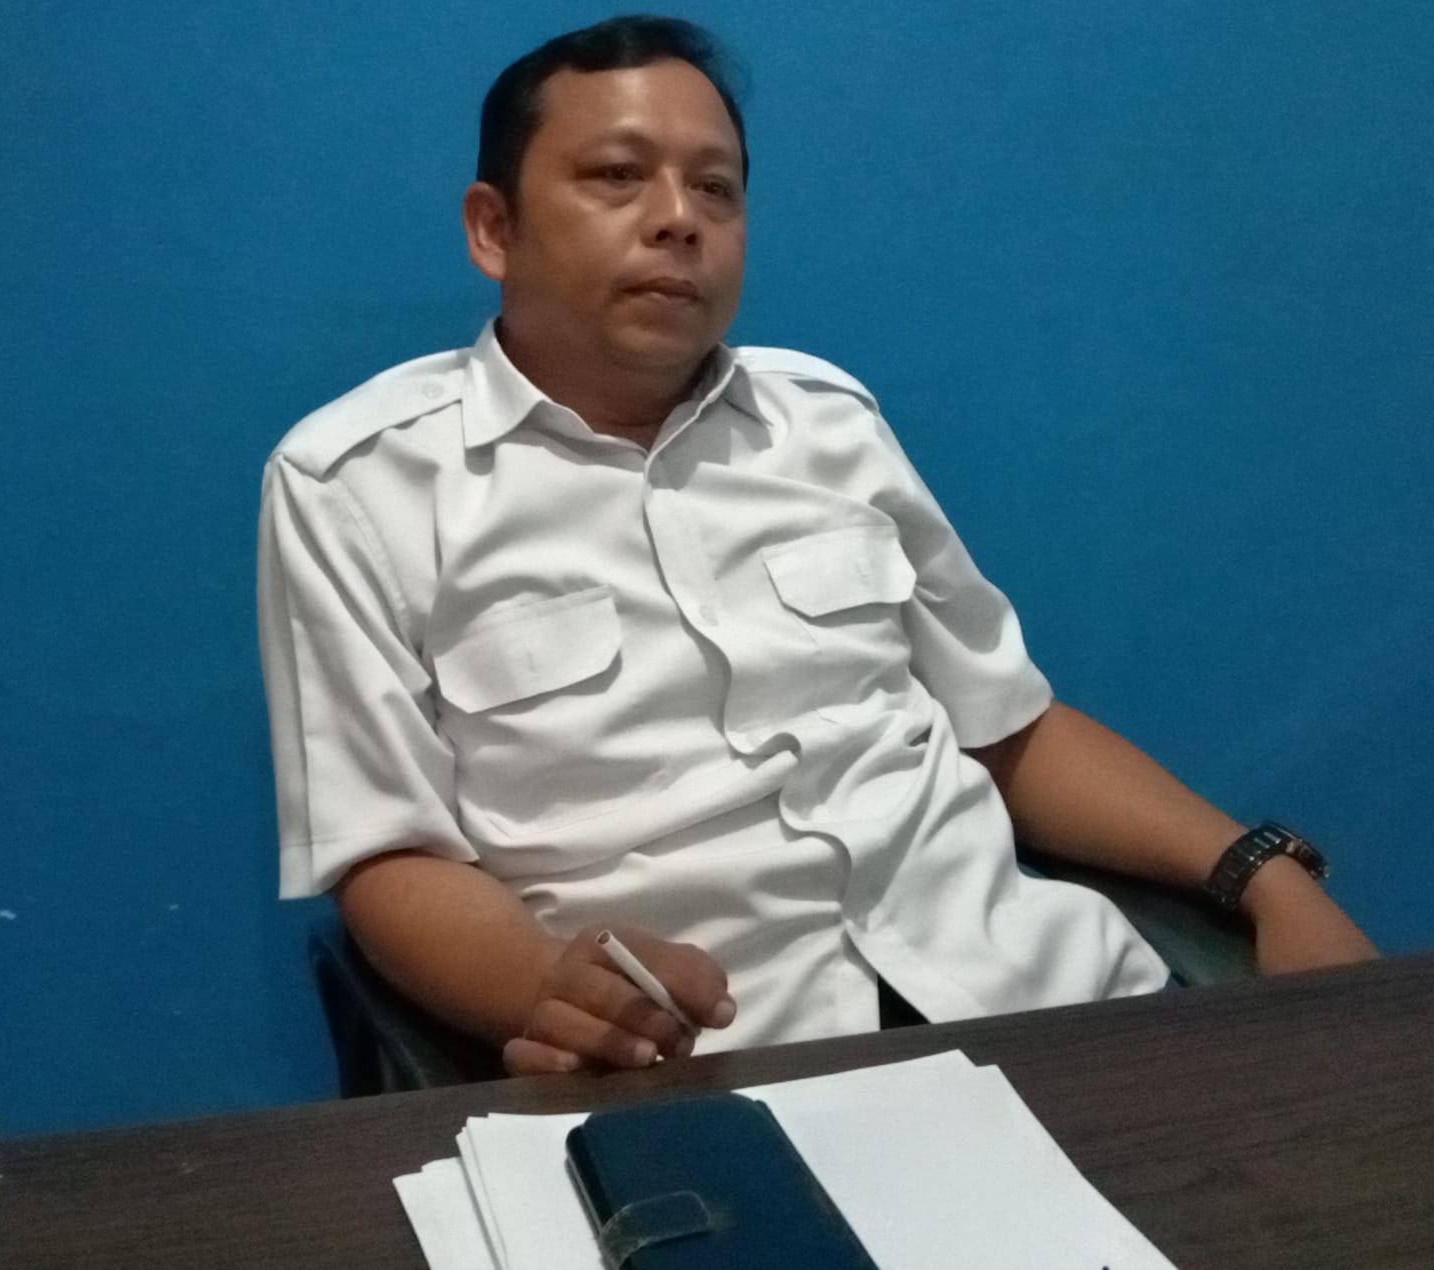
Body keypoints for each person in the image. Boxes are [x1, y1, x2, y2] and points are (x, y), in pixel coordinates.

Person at [257, 15, 1375, 1078]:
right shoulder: (355, 484)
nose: (677, 218)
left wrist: (1265, 878)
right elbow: (387, 853)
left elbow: (1007, 729)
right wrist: (543, 987)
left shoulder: (828, 423)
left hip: (1049, 1002)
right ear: (492, 228)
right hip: (715, 1069)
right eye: (617, 176)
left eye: (715, 188)